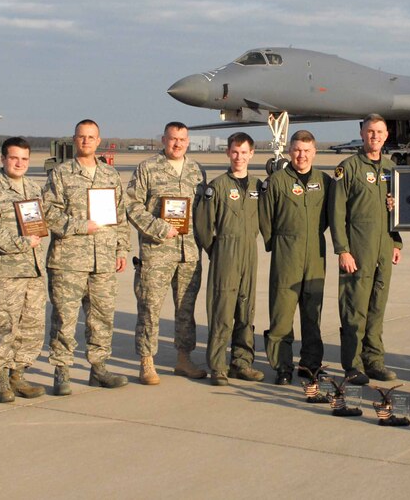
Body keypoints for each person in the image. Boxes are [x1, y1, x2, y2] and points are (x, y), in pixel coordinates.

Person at [43, 120, 130, 395]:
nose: (86, 141)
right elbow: (48, 213)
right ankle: (62, 371)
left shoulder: (110, 175)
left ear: (99, 140)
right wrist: (81, 226)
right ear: (74, 139)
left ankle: (99, 368)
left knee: (102, 317)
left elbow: (121, 216)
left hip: (103, 260)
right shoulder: (61, 174)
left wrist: (121, 249)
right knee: (65, 318)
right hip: (69, 262)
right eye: (81, 137)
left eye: (91, 137)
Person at [126, 122, 207, 385]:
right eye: (173, 139)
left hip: (189, 252)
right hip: (157, 251)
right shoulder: (147, 168)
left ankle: (184, 359)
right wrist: (159, 228)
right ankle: (146, 361)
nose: (177, 144)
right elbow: (131, 205)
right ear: (163, 140)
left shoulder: (196, 170)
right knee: (150, 307)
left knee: (186, 308)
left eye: (182, 139)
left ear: (188, 141)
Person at [329, 114, 402, 384]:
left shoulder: (391, 167)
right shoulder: (347, 168)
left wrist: (396, 242)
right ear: (361, 133)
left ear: (386, 135)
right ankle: (353, 364)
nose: (375, 136)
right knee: (354, 308)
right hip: (357, 248)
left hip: (384, 246)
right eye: (370, 131)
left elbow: (397, 210)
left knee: (377, 307)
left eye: (380, 132)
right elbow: (336, 213)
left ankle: (374, 361)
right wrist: (342, 250)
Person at [0, 137, 47, 402]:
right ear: (3, 159)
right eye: (14, 158)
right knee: (4, 327)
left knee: (31, 327)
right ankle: (1, 379)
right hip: (4, 273)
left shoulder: (33, 188)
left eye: (25, 159)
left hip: (33, 271)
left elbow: (44, 220)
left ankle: (19, 374)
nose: (20, 163)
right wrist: (22, 243)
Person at [259, 130, 332, 385]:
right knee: (282, 311)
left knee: (313, 312)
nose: (301, 155)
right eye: (297, 150)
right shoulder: (277, 181)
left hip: (314, 252)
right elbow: (266, 218)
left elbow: (332, 214)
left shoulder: (325, 181)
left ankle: (310, 365)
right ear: (290, 151)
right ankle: (282, 366)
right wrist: (277, 245)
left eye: (306, 150)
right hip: (285, 251)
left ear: (314, 152)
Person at [196, 132, 264, 386]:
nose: (239, 157)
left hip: (249, 251)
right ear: (228, 153)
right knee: (222, 310)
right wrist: (216, 250)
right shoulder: (217, 186)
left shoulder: (259, 186)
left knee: (246, 309)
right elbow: (203, 226)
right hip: (225, 251)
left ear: (251, 154)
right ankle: (218, 366)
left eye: (244, 152)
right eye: (235, 152)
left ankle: (242, 362)